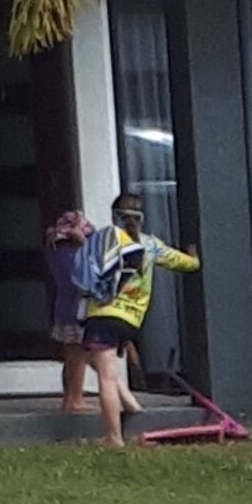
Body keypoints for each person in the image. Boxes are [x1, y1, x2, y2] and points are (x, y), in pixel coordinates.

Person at [77, 192, 198, 448]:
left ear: (114, 216)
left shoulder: (107, 240)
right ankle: (131, 404)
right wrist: (194, 257)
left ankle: (113, 437)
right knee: (92, 358)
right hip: (130, 322)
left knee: (105, 376)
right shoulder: (151, 245)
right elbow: (186, 264)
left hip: (102, 315)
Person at [44, 210, 93, 415]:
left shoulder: (54, 248)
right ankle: (76, 398)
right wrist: (84, 243)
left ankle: (68, 398)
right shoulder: (75, 254)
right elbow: (88, 273)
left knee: (70, 355)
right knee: (79, 356)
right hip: (77, 310)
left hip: (62, 309)